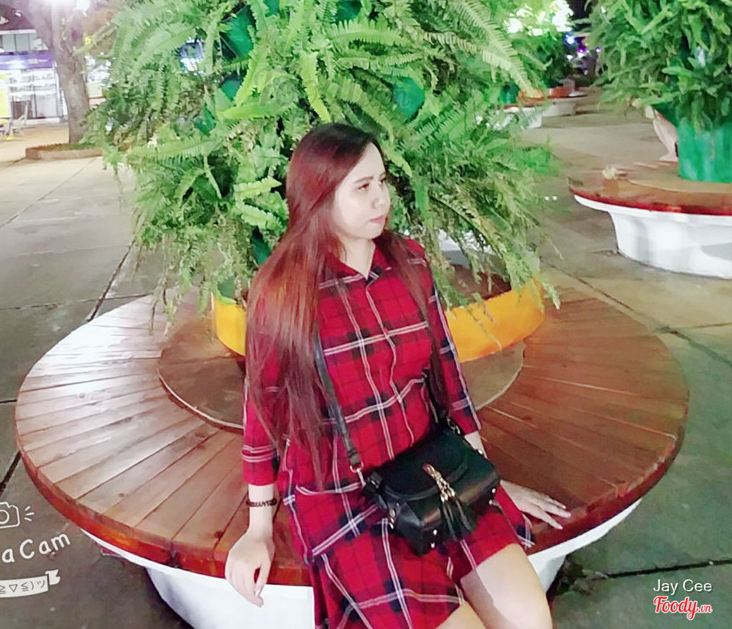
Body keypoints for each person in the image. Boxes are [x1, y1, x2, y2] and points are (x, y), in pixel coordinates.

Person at [225, 123, 570, 628]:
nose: (380, 198)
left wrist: (482, 477)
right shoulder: (286, 292)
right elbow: (263, 414)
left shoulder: (407, 261)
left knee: (530, 619)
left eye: (382, 181)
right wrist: (259, 528)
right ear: (319, 197)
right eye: (362, 187)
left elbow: (447, 376)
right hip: (343, 491)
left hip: (429, 467)